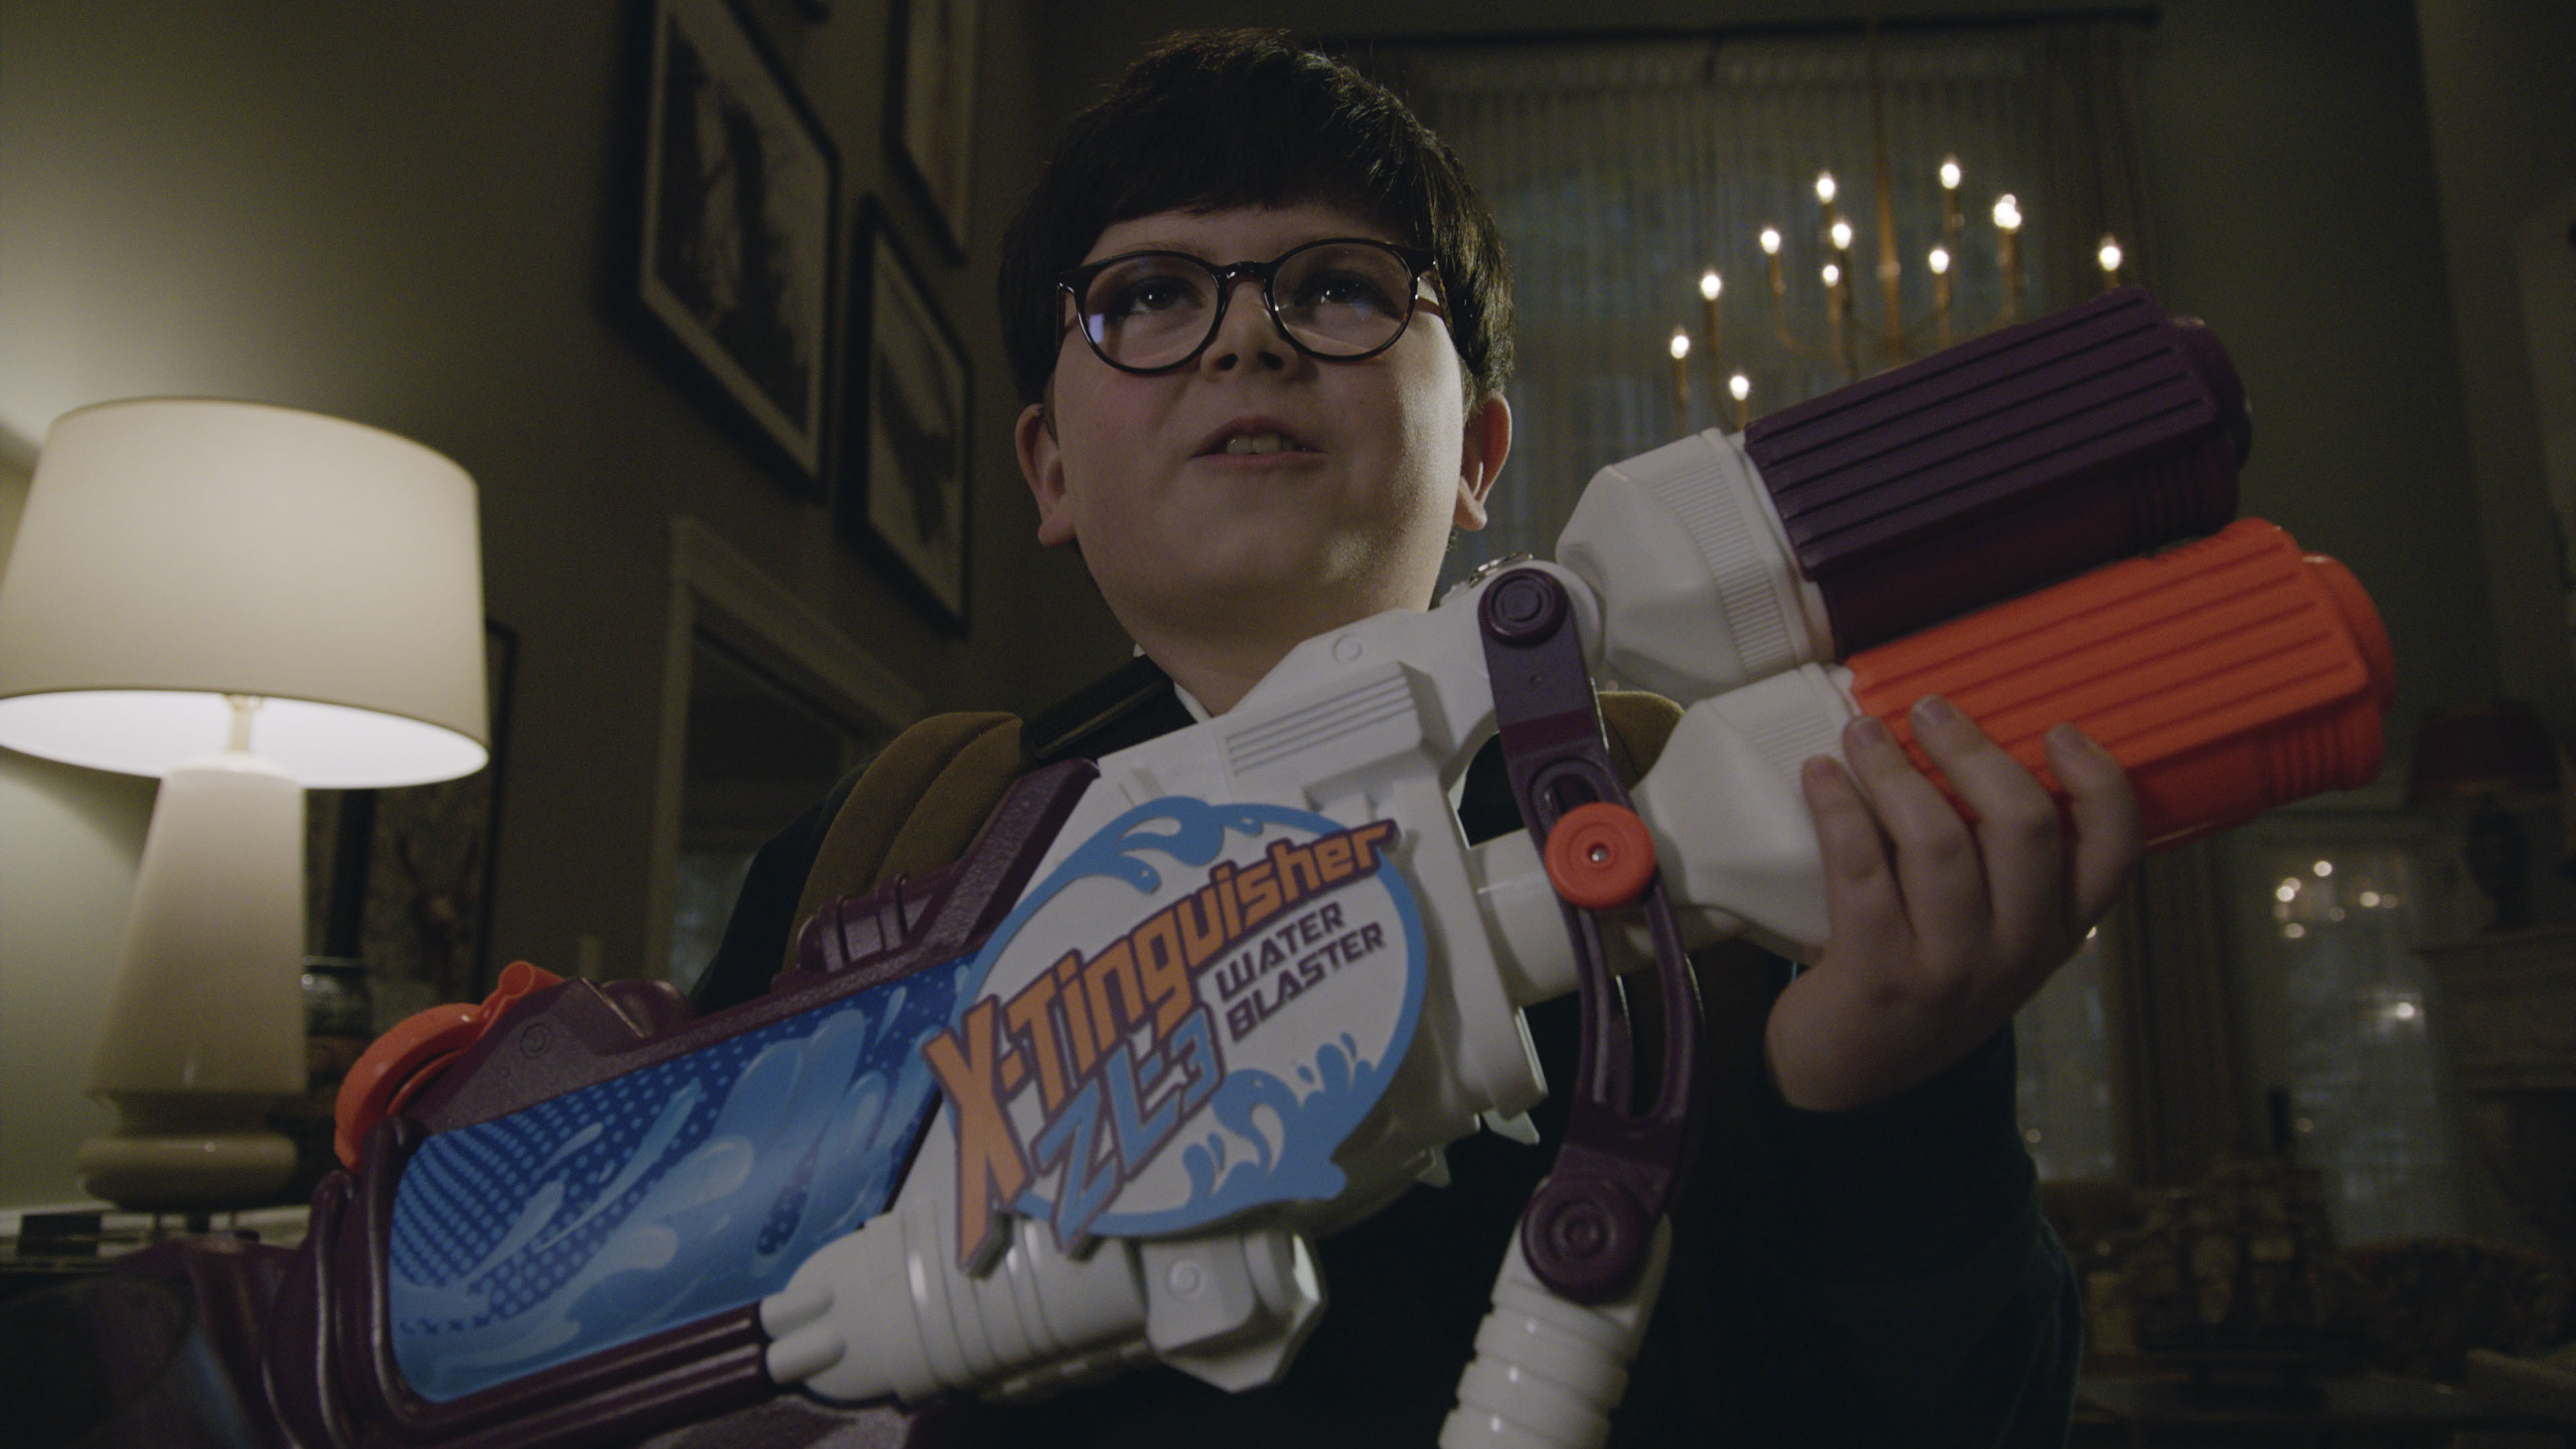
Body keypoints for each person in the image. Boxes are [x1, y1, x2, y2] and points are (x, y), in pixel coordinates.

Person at [694, 28, 2141, 1446]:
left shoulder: (1749, 857)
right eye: (1149, 295)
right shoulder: (885, 851)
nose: (1246, 337)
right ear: (1051, 469)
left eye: (1338, 288)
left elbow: (1960, 1408)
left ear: (1479, 458)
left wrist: (1890, 1104)